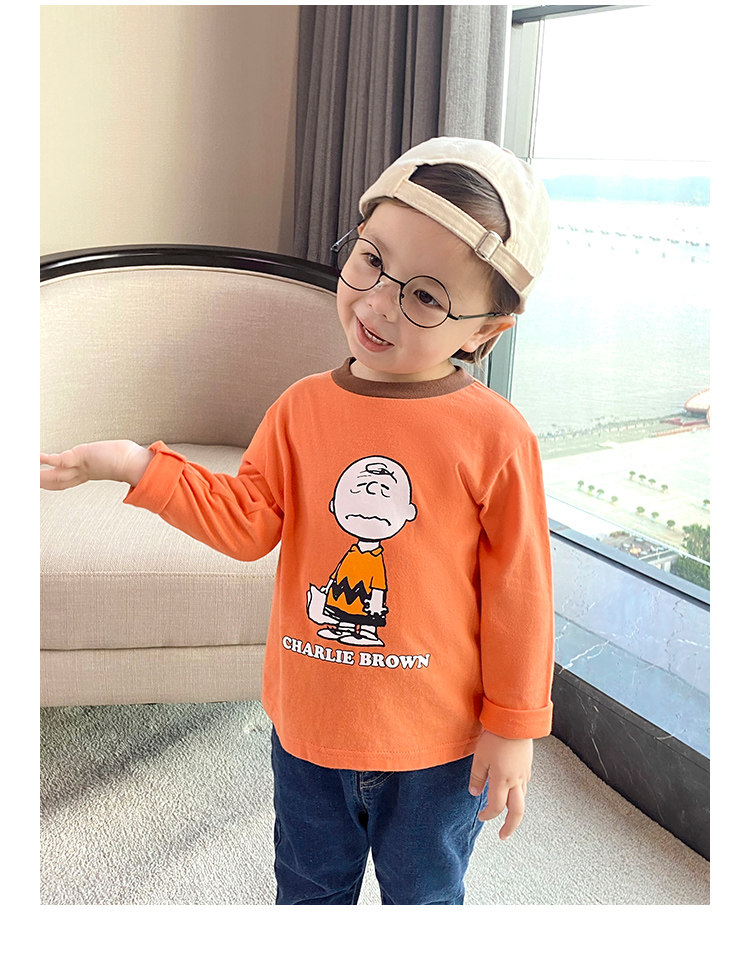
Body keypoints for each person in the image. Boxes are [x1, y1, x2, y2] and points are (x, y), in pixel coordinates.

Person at [40, 137, 555, 906]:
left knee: (424, 898)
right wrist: (135, 465)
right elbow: (247, 521)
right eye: (371, 260)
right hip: (309, 730)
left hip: (440, 749)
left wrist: (512, 725)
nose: (378, 302)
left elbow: (521, 594)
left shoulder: (496, 437)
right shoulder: (300, 408)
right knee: (309, 890)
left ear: (486, 330)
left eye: (425, 297)